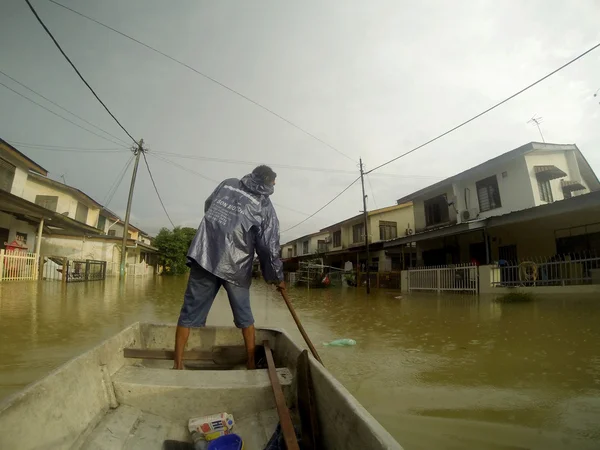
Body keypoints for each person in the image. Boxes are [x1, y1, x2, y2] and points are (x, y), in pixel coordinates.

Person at [173, 165, 286, 370]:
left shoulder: (228, 183)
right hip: (237, 265)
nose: (274, 186)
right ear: (266, 182)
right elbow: (268, 247)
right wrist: (276, 277)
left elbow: (209, 206)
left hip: (205, 254)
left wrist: (218, 234)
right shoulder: (265, 205)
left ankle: (177, 365)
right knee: (245, 315)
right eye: (273, 183)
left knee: (188, 312)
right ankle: (251, 364)